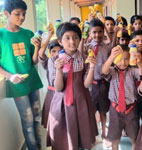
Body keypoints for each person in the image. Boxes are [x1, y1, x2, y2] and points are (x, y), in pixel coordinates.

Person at [47, 22, 98, 150]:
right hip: (62, 103)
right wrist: (59, 70)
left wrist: (92, 68)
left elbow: (87, 84)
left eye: (75, 37)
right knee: (63, 136)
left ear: (80, 39)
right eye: (67, 38)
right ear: (60, 41)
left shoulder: (84, 59)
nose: (72, 41)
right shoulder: (53, 60)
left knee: (82, 134)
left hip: (81, 102)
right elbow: (58, 88)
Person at [0, 0, 43, 149]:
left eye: (24, 14)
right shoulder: (1, 35)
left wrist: (37, 47)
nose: (22, 17)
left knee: (37, 117)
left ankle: (39, 145)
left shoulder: (28, 34)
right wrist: (10, 76)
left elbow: (34, 61)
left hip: (32, 81)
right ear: (6, 14)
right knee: (28, 120)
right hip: (17, 86)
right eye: (17, 14)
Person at [102, 44, 142, 150]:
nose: (123, 62)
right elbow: (104, 70)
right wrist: (111, 57)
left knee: (134, 137)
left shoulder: (132, 71)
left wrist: (138, 61)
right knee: (115, 138)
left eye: (126, 59)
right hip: (115, 109)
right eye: (119, 59)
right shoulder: (112, 71)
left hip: (131, 109)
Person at [83, 19, 112, 142]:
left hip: (104, 84)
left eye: (100, 32)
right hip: (91, 85)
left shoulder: (106, 48)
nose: (97, 35)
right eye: (94, 32)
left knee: (103, 110)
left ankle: (104, 133)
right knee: (91, 111)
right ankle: (92, 135)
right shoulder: (86, 47)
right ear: (90, 33)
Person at [38, 26, 62, 128]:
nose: (56, 54)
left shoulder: (66, 62)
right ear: (50, 52)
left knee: (62, 119)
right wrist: (49, 36)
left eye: (59, 51)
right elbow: (40, 53)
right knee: (52, 121)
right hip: (51, 95)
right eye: (53, 51)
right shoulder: (48, 62)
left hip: (62, 94)